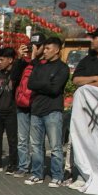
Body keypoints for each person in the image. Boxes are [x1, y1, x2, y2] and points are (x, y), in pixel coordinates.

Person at [25, 36, 69, 187]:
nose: (45, 51)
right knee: (36, 145)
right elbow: (31, 84)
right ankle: (37, 173)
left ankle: (57, 175)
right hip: (36, 110)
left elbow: (55, 88)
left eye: (48, 48)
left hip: (53, 111)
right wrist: (47, 83)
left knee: (55, 146)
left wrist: (41, 85)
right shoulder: (40, 66)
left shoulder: (62, 68)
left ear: (57, 50)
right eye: (44, 48)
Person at [10, 36, 41, 177]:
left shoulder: (43, 63)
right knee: (22, 139)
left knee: (36, 141)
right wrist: (19, 58)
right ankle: (23, 166)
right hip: (22, 105)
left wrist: (35, 58)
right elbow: (14, 77)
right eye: (31, 46)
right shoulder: (23, 62)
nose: (32, 49)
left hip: (36, 106)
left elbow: (38, 78)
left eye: (36, 46)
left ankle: (37, 168)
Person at [0, 47, 19, 174]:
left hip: (11, 112)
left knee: (12, 140)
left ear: (10, 60)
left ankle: (13, 163)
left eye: (2, 59)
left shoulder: (16, 74)